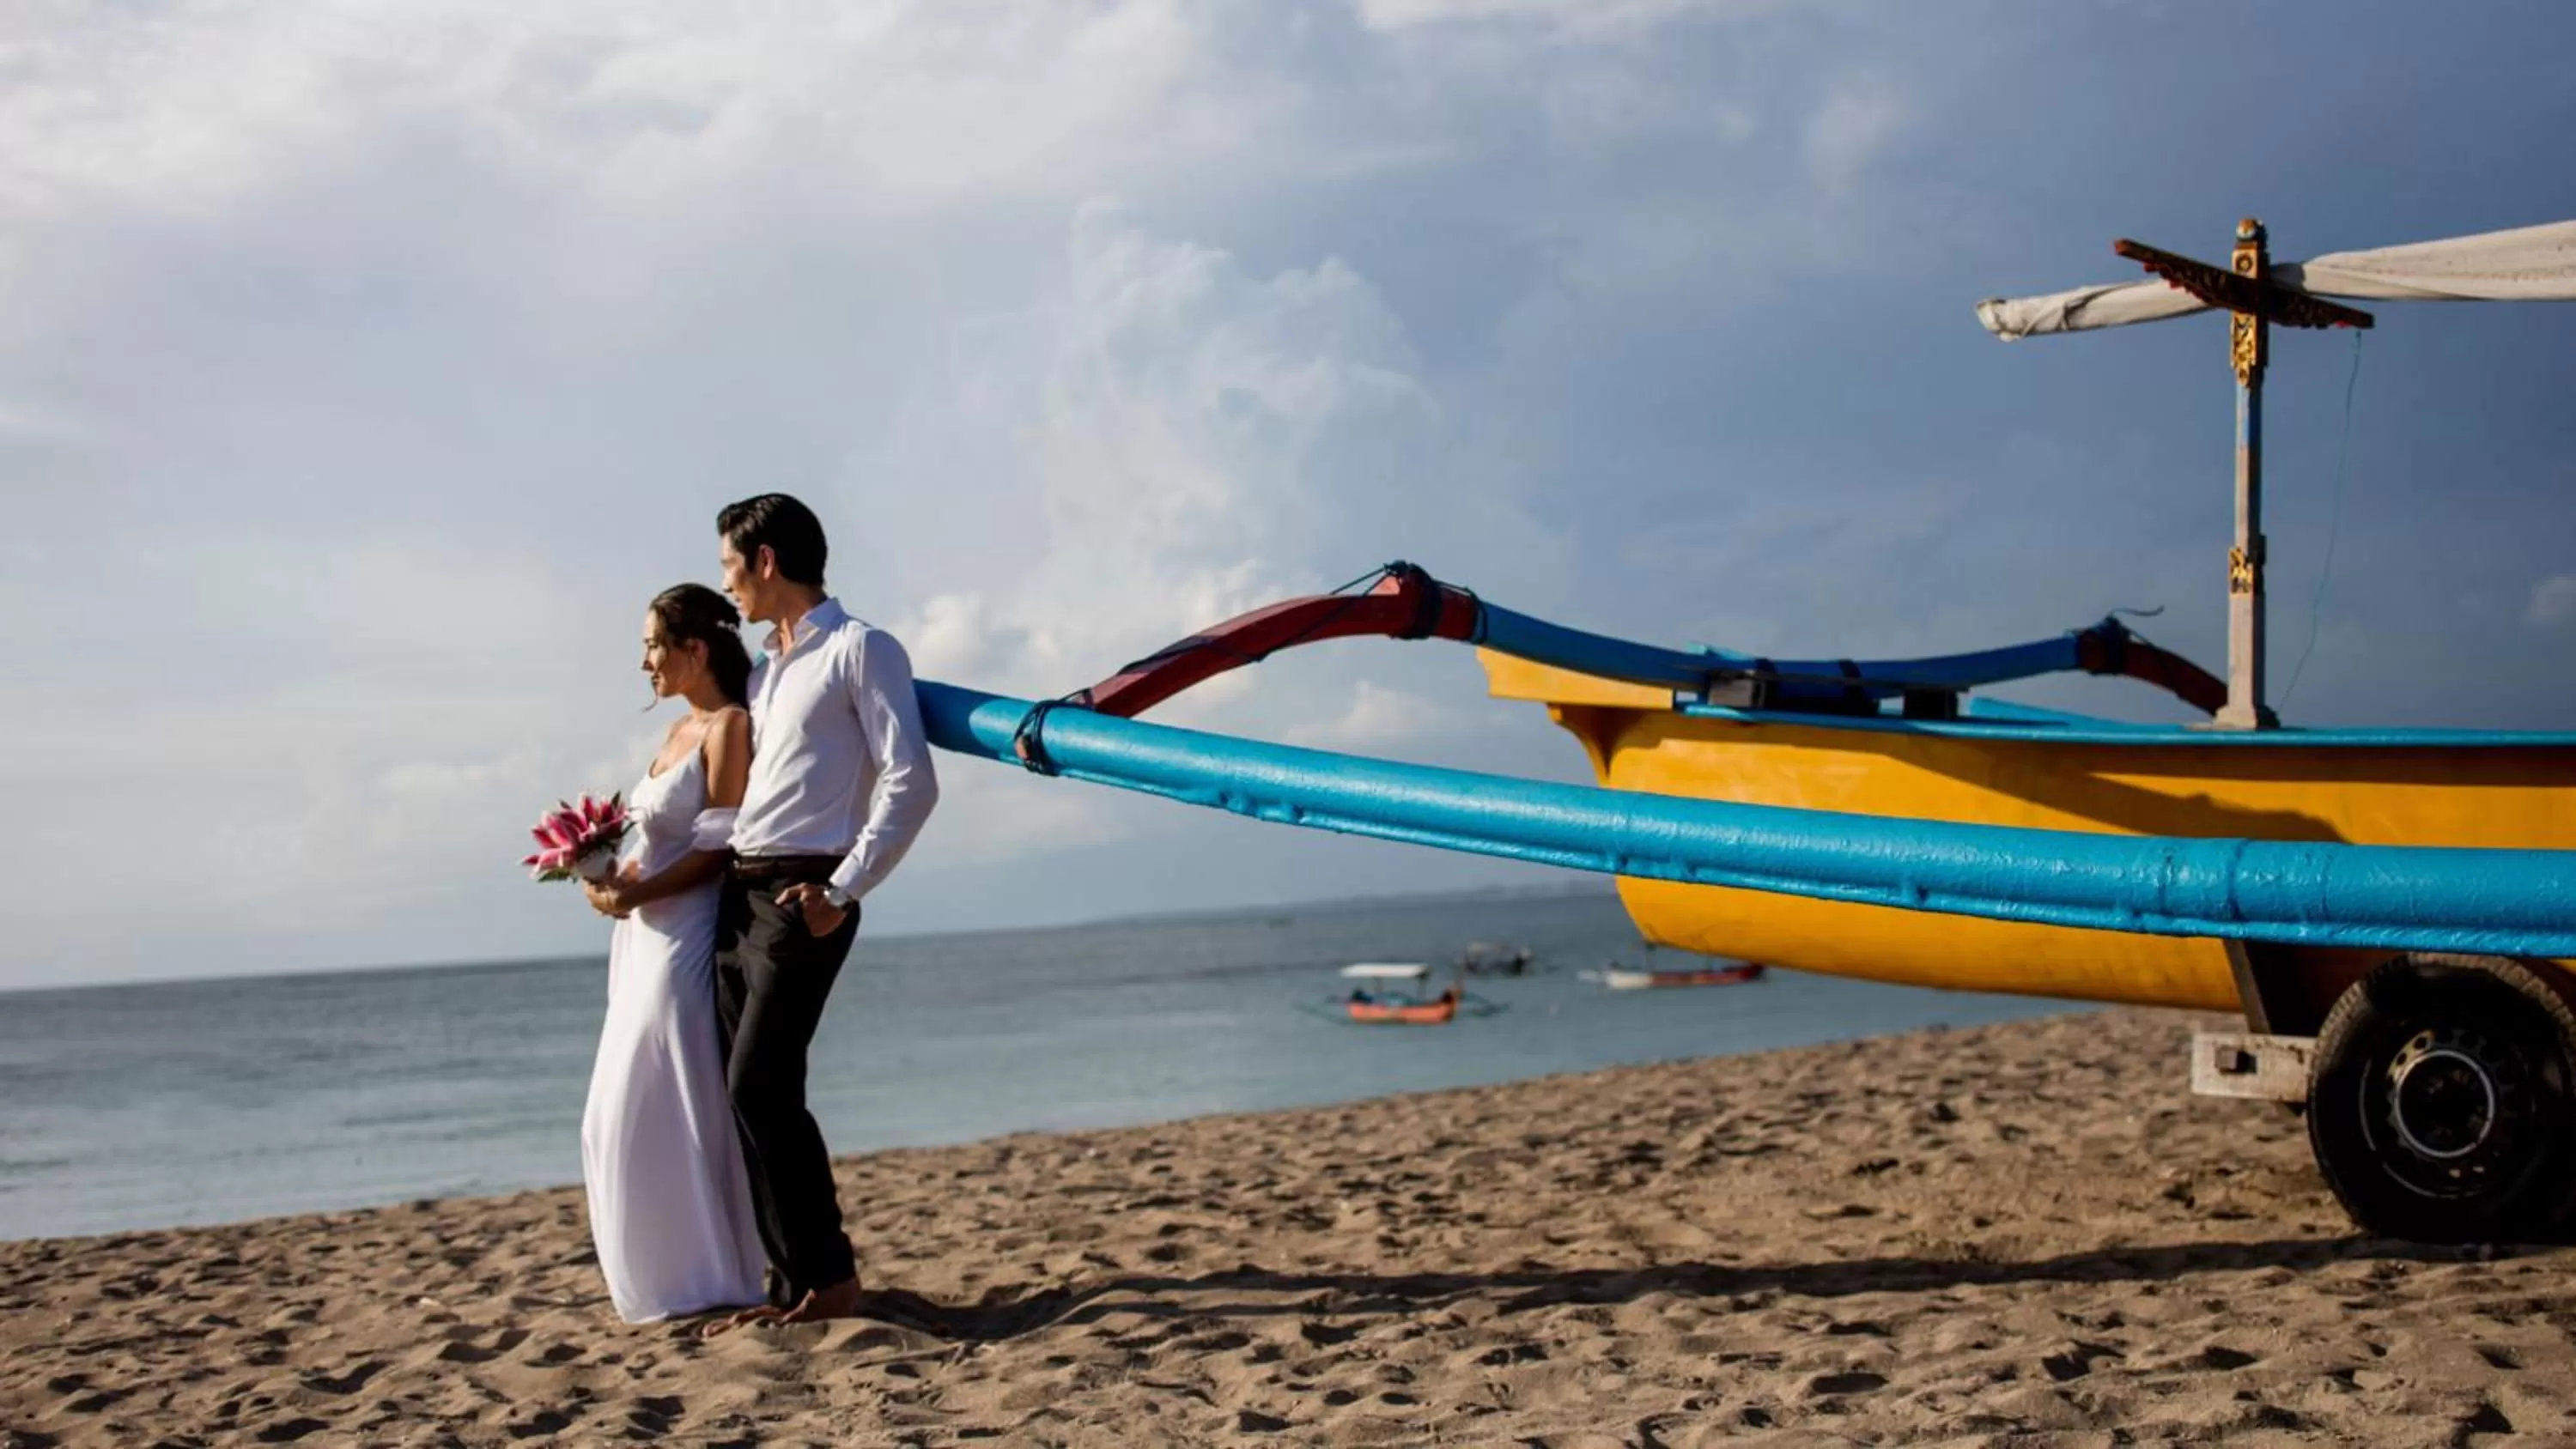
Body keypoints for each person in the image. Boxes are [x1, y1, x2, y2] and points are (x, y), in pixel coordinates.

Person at [699, 493, 940, 1336]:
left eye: (730, 566)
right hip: (738, 894)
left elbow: (911, 779)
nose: (726, 584)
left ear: (766, 560)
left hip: (805, 892)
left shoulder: (861, 648)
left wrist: (843, 891)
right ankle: (790, 1280)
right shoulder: (763, 672)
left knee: (759, 1084)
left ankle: (831, 1280)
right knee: (744, 1094)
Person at [574, 584, 768, 1323]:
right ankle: (668, 1275)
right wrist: (607, 878)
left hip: (685, 935)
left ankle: (709, 1274)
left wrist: (636, 895)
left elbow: (717, 850)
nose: (645, 661)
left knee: (662, 1099)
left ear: (696, 648)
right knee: (614, 1110)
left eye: (653, 645)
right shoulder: (676, 731)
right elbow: (655, 842)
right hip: (641, 936)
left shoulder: (730, 726)